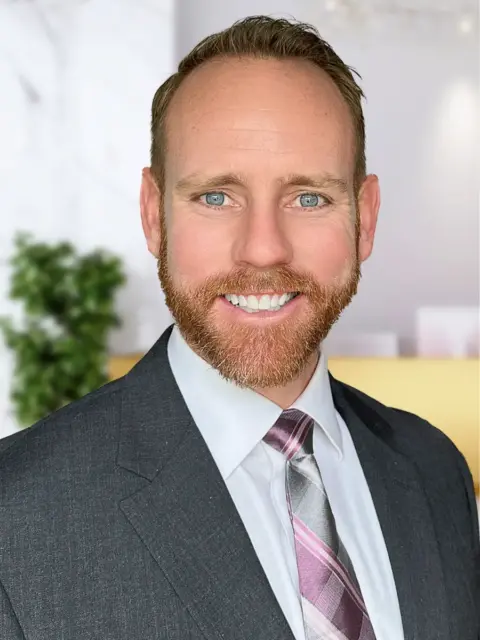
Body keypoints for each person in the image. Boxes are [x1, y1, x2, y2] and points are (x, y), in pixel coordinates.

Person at [0, 15, 478, 640]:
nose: (262, 251)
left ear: (364, 218)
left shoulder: (434, 470)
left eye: (309, 198)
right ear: (153, 216)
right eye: (216, 197)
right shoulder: (17, 517)